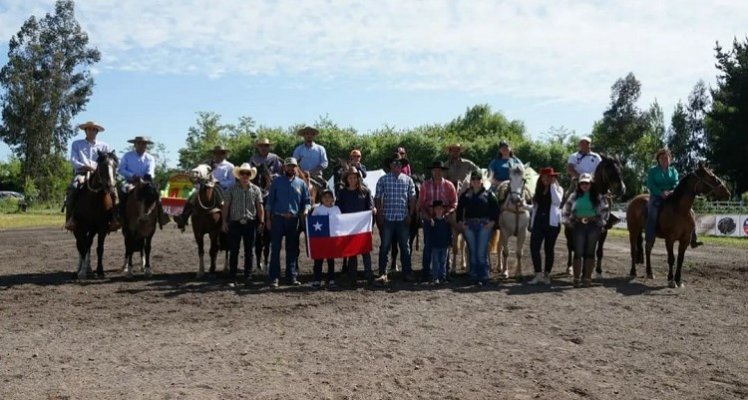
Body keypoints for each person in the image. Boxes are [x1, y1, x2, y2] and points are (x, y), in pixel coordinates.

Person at [65, 121, 119, 231]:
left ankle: (114, 219)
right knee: (73, 188)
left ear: (97, 132)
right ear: (85, 131)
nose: (92, 131)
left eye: (94, 129)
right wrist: (85, 166)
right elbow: (73, 160)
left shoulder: (105, 146)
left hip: (101, 175)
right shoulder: (77, 144)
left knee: (114, 191)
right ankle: (70, 219)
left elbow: (109, 161)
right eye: (89, 129)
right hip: (82, 173)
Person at [266, 157, 311, 288]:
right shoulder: (276, 182)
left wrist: (306, 210)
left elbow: (306, 201)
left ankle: (292, 276)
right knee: (275, 249)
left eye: (293, 166)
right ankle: (274, 278)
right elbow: (270, 202)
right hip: (278, 219)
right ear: (284, 167)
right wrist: (268, 219)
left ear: (296, 167)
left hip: (293, 219)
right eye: (288, 166)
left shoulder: (301, 184)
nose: (291, 168)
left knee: (292, 249)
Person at [645, 148, 702, 249]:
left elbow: (676, 183)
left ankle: (693, 238)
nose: (664, 160)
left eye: (666, 158)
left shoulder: (673, 170)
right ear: (658, 160)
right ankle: (649, 239)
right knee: (652, 213)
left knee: (690, 212)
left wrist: (672, 191)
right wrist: (660, 193)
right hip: (656, 196)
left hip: (672, 195)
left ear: (670, 159)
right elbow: (651, 185)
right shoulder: (652, 171)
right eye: (662, 158)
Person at [562, 173, 610, 287]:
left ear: (591, 184)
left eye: (587, 183)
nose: (584, 185)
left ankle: (587, 277)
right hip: (578, 224)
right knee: (578, 251)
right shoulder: (574, 196)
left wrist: (601, 222)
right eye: (582, 183)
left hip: (593, 225)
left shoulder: (598, 196)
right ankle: (576, 278)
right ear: (579, 184)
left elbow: (605, 209)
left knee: (590, 251)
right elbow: (566, 209)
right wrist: (568, 222)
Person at [375, 157, 417, 283]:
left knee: (405, 247)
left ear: (402, 166)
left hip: (403, 218)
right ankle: (383, 273)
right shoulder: (383, 179)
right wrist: (380, 215)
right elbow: (377, 198)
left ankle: (407, 272)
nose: (397, 165)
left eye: (399, 163)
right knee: (385, 246)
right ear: (390, 165)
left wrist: (410, 214)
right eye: (394, 163)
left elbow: (413, 198)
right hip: (387, 218)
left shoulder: (408, 180)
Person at [221, 163, 264, 286]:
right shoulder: (231, 189)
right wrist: (224, 221)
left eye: (247, 173)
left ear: (250, 176)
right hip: (235, 223)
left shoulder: (256, 190)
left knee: (249, 251)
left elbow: (260, 207)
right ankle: (232, 277)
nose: (245, 176)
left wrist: (261, 221)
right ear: (239, 175)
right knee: (234, 250)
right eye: (242, 173)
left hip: (250, 223)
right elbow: (226, 206)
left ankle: (248, 276)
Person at [173, 145, 233, 230]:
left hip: (221, 188)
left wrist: (219, 183)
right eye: (216, 153)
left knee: (224, 203)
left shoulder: (229, 166)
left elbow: (232, 182)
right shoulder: (207, 164)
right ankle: (184, 217)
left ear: (224, 154)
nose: (218, 155)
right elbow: (200, 172)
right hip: (206, 187)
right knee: (192, 196)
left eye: (221, 153)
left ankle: (226, 221)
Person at [455, 170, 499, 285]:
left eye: (478, 179)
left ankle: (484, 274)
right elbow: (459, 209)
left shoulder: (489, 195)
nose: (476, 181)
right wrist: (460, 222)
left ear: (481, 181)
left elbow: (496, 210)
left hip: (484, 225)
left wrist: (492, 223)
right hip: (469, 225)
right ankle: (473, 274)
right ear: (471, 181)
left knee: (481, 251)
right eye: (473, 179)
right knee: (473, 250)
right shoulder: (466, 195)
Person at [417, 160, 457, 281]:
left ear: (443, 172)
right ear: (432, 172)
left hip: (444, 219)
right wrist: (428, 216)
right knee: (429, 244)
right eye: (435, 170)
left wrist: (447, 213)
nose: (437, 172)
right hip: (429, 218)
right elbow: (421, 204)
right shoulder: (425, 185)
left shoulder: (449, 185)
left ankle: (445, 272)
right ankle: (426, 272)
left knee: (445, 245)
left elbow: (454, 202)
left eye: (440, 170)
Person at [117, 136, 170, 228]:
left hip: (146, 182)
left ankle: (162, 217)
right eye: (139, 143)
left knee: (158, 195)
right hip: (130, 181)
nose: (141, 145)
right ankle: (120, 216)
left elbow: (151, 170)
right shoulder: (127, 155)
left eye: (144, 144)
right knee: (122, 193)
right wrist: (133, 175)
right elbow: (121, 169)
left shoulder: (150, 158)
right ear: (135, 144)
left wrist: (146, 177)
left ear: (146, 145)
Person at [336, 166, 376, 285]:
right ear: (347, 179)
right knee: (352, 252)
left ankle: (369, 275)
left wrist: (373, 210)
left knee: (365, 251)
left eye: (354, 177)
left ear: (358, 178)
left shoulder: (366, 191)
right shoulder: (342, 193)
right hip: (349, 227)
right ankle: (352, 276)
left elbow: (370, 206)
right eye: (350, 178)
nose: (352, 180)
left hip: (362, 227)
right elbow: (339, 209)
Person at [528, 167, 564, 285]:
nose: (546, 179)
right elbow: (535, 207)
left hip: (552, 224)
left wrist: (552, 186)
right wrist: (524, 206)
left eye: (549, 177)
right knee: (534, 247)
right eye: (544, 177)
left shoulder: (559, 189)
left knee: (549, 249)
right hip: (538, 222)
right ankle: (538, 274)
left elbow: (557, 201)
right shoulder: (538, 190)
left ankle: (547, 274)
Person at [310, 189, 341, 289]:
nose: (327, 199)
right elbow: (312, 222)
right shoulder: (318, 209)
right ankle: (317, 280)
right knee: (318, 260)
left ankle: (331, 279)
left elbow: (340, 221)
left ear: (333, 198)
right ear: (322, 199)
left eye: (329, 197)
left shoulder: (336, 209)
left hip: (332, 239)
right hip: (320, 240)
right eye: (325, 197)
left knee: (331, 260)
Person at [292, 126, 329, 191]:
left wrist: (311, 172)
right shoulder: (298, 149)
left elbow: (324, 163)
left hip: (316, 176)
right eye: (307, 134)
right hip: (301, 176)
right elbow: (294, 163)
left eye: (311, 134)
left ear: (313, 135)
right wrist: (302, 173)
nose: (309, 136)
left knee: (326, 189)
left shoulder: (320, 149)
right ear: (304, 135)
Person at [426, 200, 452, 285]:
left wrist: (450, 242)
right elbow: (429, 234)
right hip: (435, 245)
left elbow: (449, 232)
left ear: (443, 209)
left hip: (444, 245)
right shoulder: (432, 222)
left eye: (440, 208)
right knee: (436, 262)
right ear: (434, 210)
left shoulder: (446, 221)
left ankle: (443, 277)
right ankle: (435, 277)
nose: (439, 210)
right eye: (437, 209)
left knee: (443, 262)